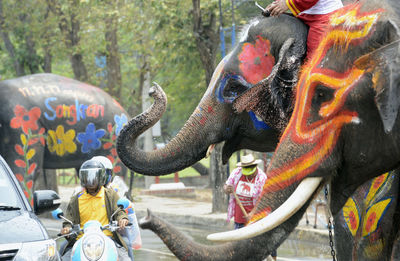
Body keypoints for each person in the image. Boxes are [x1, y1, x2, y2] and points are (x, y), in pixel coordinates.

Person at [60, 159, 131, 261]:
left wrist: (122, 218)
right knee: (62, 257)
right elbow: (68, 221)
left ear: (101, 177)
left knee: (126, 258)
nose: (91, 181)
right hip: (81, 240)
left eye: (94, 177)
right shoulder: (76, 199)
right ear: (82, 178)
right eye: (87, 176)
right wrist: (66, 229)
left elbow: (119, 211)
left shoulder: (110, 195)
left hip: (107, 238)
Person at [223, 153, 277, 260]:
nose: (248, 175)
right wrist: (227, 189)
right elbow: (226, 186)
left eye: (250, 172)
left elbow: (265, 200)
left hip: (258, 218)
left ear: (255, 167)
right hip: (240, 218)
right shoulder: (236, 173)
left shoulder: (262, 178)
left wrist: (253, 214)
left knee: (264, 243)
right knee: (240, 247)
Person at [265, 0, 343, 60]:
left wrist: (287, 3)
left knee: (316, 58)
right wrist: (277, 4)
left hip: (325, 15)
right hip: (303, 13)